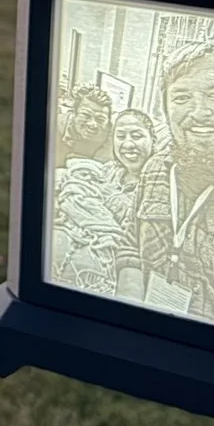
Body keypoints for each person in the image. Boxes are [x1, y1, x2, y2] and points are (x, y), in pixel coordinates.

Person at [132, 42, 214, 326]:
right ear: (165, 109)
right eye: (181, 97)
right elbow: (130, 239)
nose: (198, 112)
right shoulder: (156, 169)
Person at [52, 108, 157, 297]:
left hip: (108, 265)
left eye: (136, 135)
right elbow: (74, 186)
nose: (128, 144)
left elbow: (139, 235)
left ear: (153, 140)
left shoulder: (157, 187)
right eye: (121, 136)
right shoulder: (109, 170)